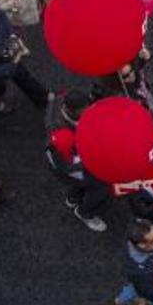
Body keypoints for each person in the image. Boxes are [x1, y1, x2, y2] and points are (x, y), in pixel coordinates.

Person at [44, 89, 112, 231]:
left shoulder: (62, 99)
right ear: (72, 111)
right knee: (101, 186)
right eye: (84, 112)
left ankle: (73, 197)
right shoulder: (63, 137)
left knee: (79, 183)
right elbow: (67, 166)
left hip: (68, 160)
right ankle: (85, 213)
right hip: (68, 166)